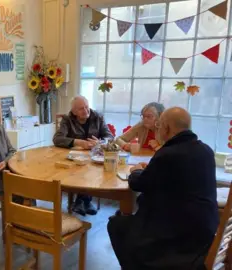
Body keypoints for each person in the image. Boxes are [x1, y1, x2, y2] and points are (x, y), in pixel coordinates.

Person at [107, 107, 219, 270]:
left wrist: (136, 170)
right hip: (205, 232)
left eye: (159, 126)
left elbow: (138, 184)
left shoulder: (168, 154)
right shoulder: (206, 150)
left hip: (177, 235)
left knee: (117, 225)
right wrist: (150, 170)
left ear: (166, 127)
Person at [53, 96, 113, 216]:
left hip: (94, 156)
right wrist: (78, 142)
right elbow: (57, 139)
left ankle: (81, 201)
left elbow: (110, 137)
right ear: (74, 111)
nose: (86, 111)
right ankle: (84, 201)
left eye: (87, 107)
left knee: (90, 170)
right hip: (74, 158)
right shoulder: (67, 119)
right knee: (81, 170)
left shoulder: (98, 117)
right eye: (81, 109)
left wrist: (101, 142)